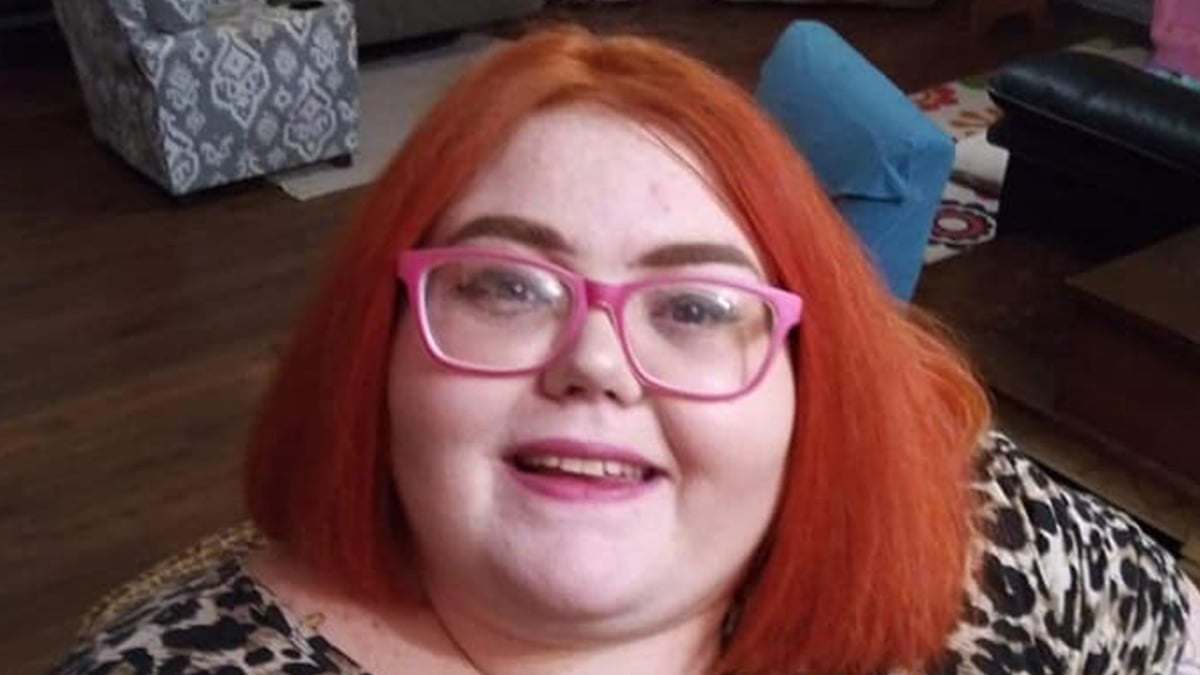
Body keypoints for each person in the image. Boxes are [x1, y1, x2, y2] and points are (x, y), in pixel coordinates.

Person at [50, 25, 1200, 675]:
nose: (595, 363)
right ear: (377, 353)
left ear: (811, 384)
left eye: (694, 306)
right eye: (507, 286)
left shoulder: (976, 529)